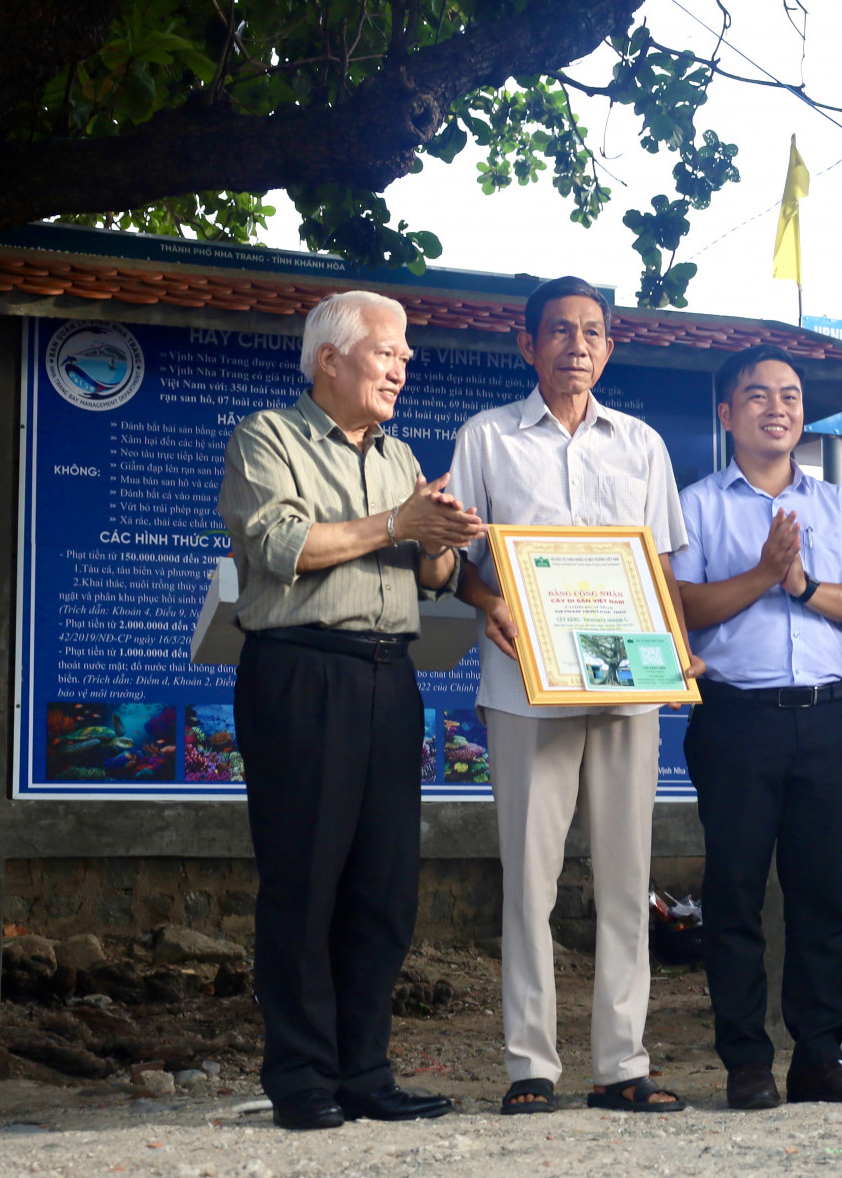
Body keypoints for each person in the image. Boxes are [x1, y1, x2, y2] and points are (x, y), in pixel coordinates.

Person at [219, 290, 486, 1130]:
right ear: (330, 359)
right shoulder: (269, 437)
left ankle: (365, 1070)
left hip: (388, 676)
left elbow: (429, 579)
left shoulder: (400, 454)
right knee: (304, 882)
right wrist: (396, 521)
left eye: (407, 354)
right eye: (387, 350)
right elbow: (283, 547)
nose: (403, 366)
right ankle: (300, 1076)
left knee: (384, 888)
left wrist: (440, 539)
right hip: (301, 673)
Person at [448, 276, 700, 1115]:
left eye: (592, 333)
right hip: (527, 686)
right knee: (532, 882)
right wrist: (489, 604)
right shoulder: (486, 439)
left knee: (629, 881)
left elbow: (658, 564)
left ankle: (621, 1064)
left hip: (629, 690)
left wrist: (676, 649)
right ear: (529, 346)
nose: (577, 346)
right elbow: (452, 563)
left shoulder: (641, 444)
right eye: (560, 332)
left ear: (609, 348)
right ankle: (531, 1066)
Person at [671, 343, 842, 1111]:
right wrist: (763, 576)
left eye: (791, 396)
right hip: (736, 719)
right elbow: (681, 608)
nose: (778, 409)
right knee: (734, 895)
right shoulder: (696, 503)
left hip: (825, 720)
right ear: (728, 413)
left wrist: (801, 585)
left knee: (821, 897)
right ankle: (745, 1062)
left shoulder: (835, 505)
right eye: (759, 396)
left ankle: (820, 1057)